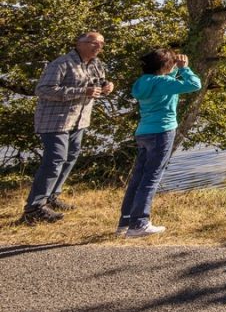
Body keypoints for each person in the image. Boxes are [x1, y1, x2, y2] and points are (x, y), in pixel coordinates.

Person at [21, 32, 114, 224]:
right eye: (93, 43)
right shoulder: (61, 63)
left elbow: (99, 83)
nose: (98, 47)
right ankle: (34, 208)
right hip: (55, 120)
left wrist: (107, 87)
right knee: (55, 159)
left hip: (79, 120)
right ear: (79, 44)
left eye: (101, 44)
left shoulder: (96, 64)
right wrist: (81, 91)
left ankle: (51, 197)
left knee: (70, 158)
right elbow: (43, 90)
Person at [117, 48, 202, 237]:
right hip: (162, 131)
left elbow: (165, 79)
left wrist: (173, 69)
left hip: (144, 131)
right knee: (151, 177)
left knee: (138, 177)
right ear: (165, 65)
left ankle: (125, 222)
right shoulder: (164, 82)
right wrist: (184, 68)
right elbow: (195, 84)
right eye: (171, 63)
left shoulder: (142, 82)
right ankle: (139, 224)